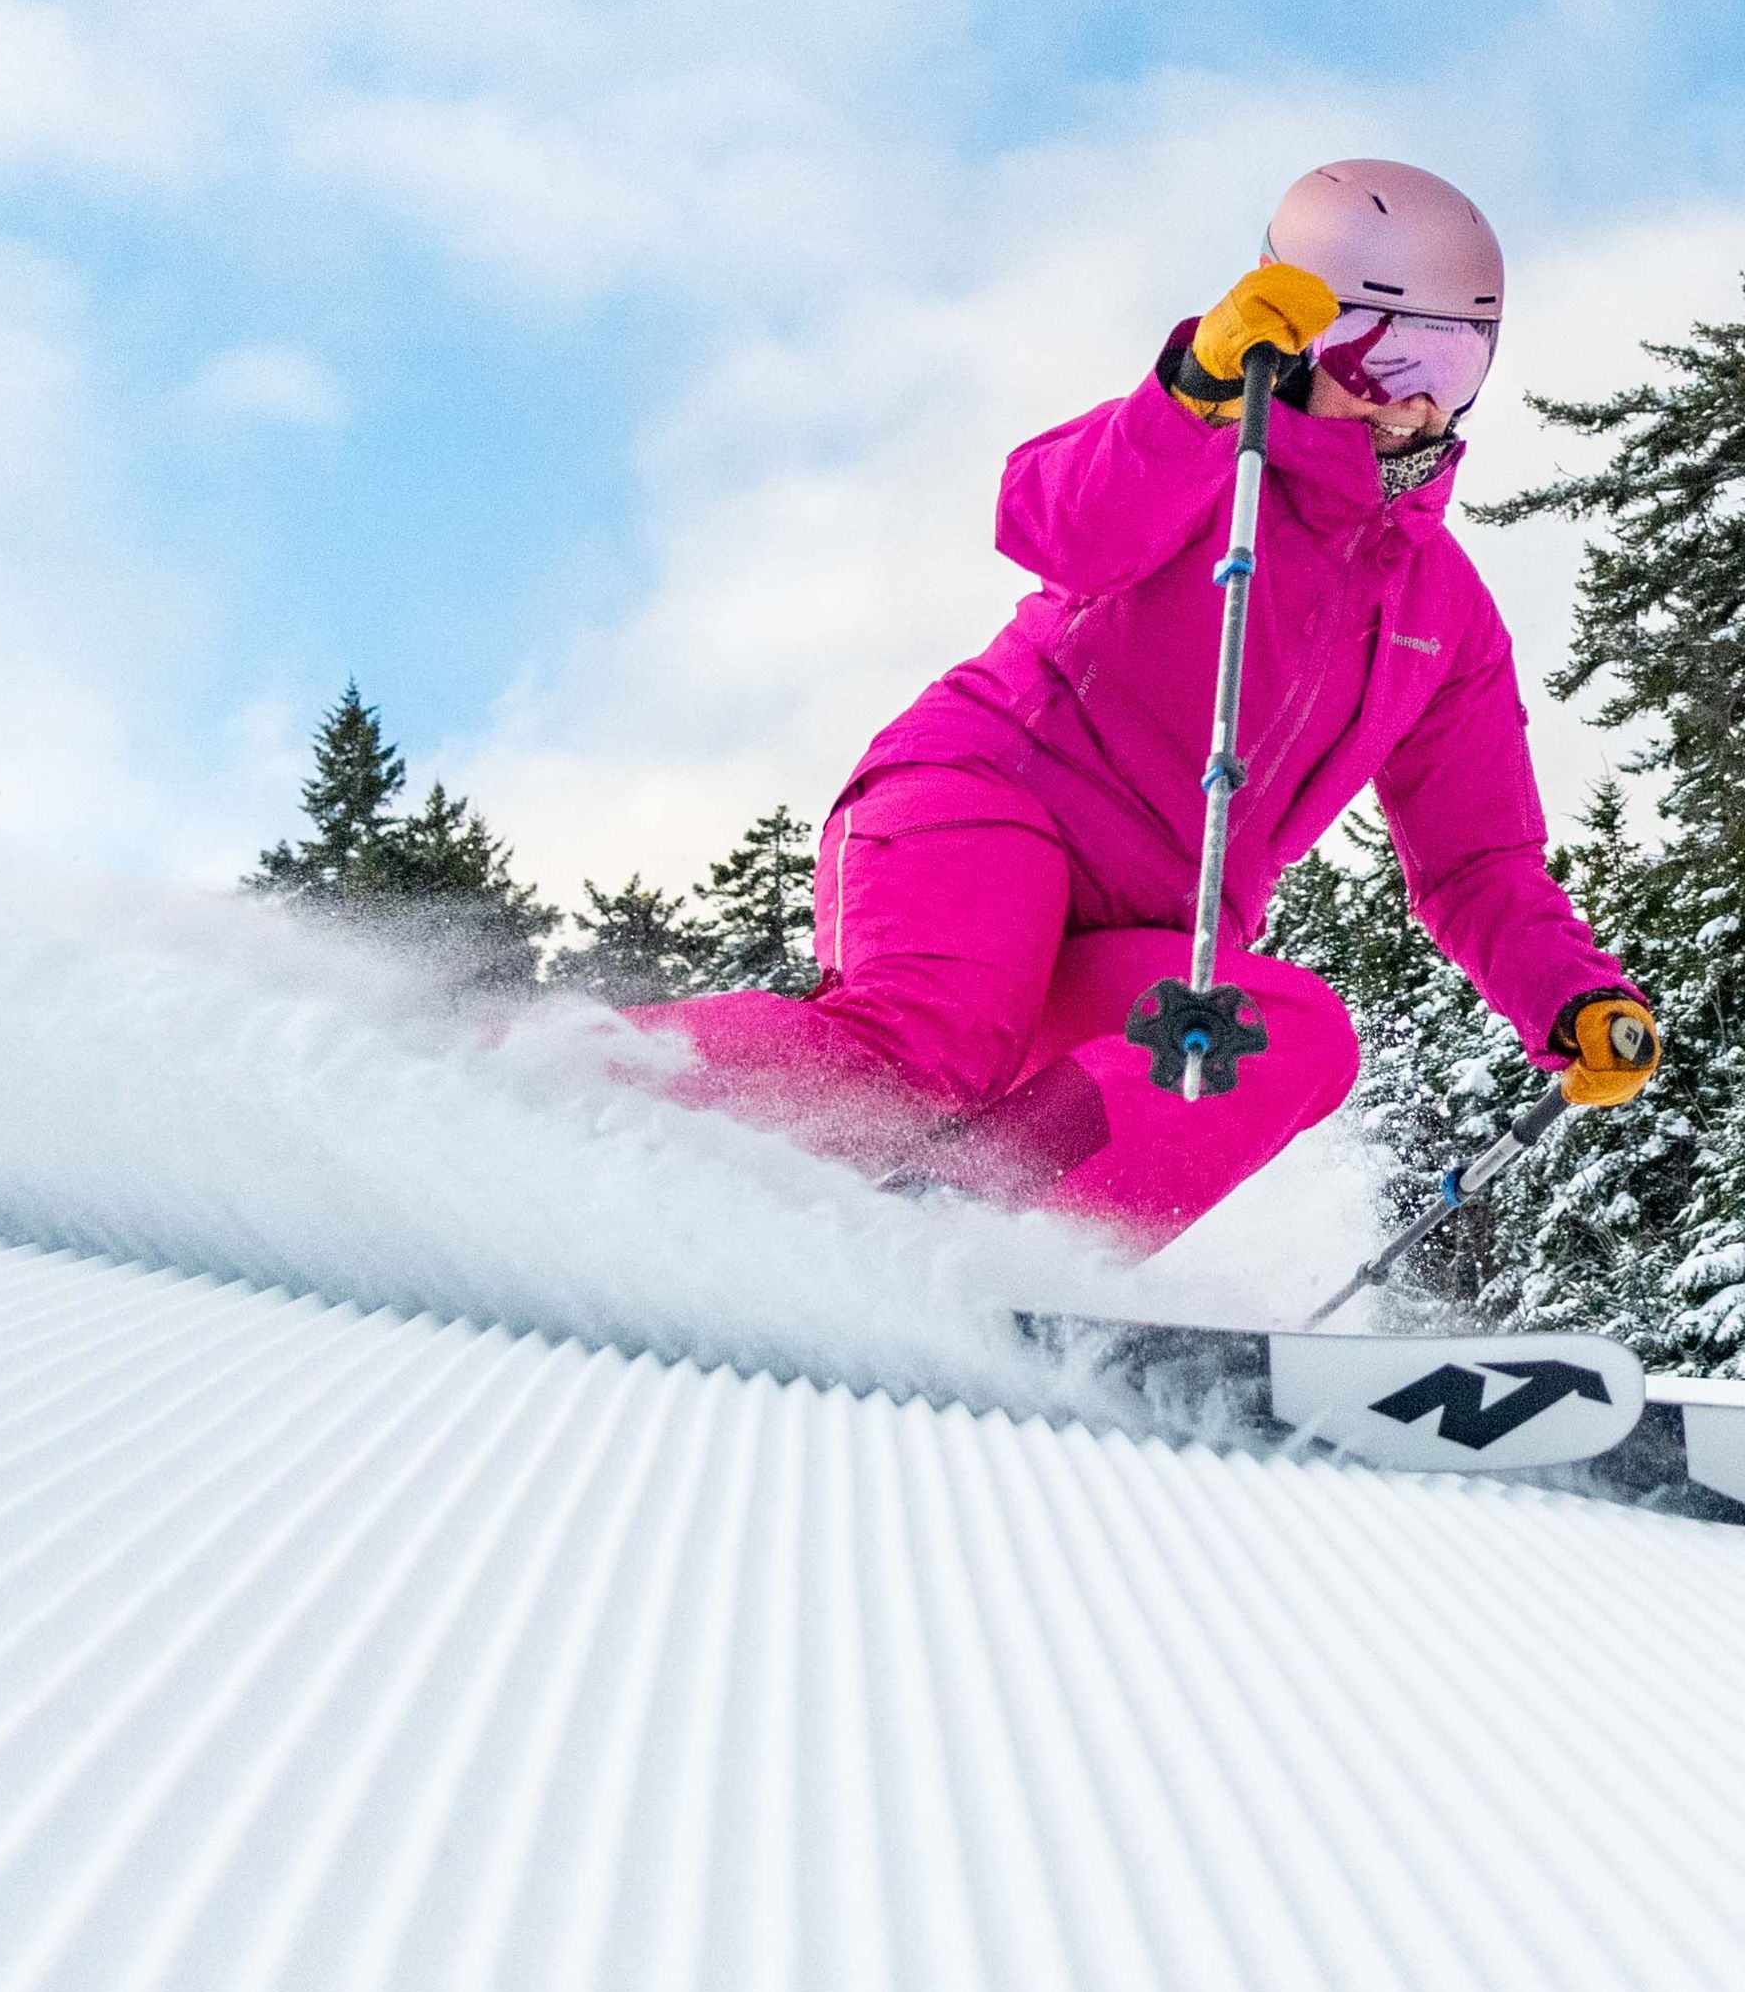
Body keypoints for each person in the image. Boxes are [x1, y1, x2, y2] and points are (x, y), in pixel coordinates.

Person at [635, 158, 1660, 1244]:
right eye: (1380, 348)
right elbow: (1050, 524)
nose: (1412, 394)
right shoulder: (1206, 449)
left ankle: (970, 1242)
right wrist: (1189, 393)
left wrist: (1570, 995)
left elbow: (1477, 862)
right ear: (1301, 328)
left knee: (1279, 1035)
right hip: (988, 802)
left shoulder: (1443, 613)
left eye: (1453, 363)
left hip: (1158, 923)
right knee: (929, 1050)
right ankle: (557, 1095)